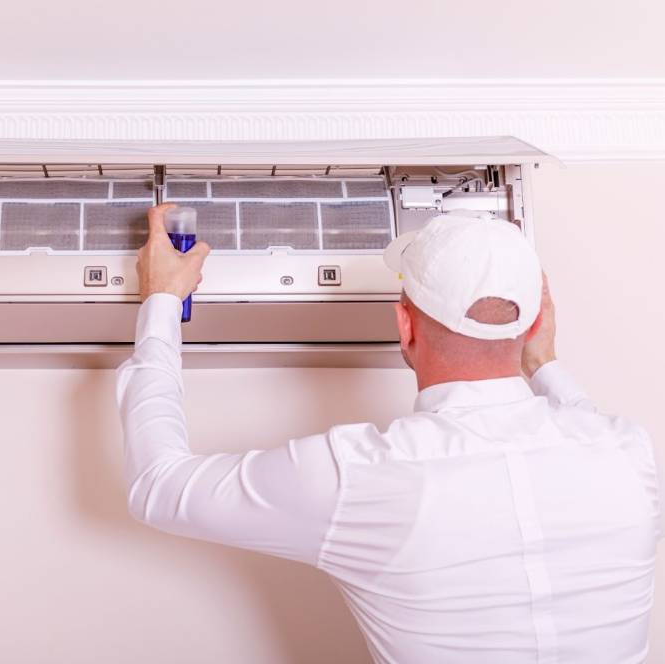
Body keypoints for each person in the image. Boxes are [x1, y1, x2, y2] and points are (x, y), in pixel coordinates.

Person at [116, 203, 661, 663]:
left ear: (404, 325)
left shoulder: (359, 476)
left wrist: (161, 299)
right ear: (535, 325)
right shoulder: (630, 455)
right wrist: (543, 362)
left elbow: (158, 486)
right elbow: (585, 421)